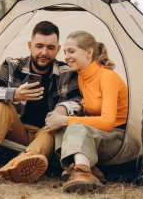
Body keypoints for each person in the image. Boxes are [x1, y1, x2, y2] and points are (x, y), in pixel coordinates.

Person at [0, 21, 82, 183]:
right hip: (16, 130)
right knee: (3, 106)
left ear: (58, 49)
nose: (44, 52)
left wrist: (63, 108)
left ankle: (21, 163)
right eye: (39, 46)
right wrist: (14, 94)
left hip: (45, 133)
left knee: (54, 128)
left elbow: (79, 101)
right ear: (30, 46)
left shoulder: (67, 72)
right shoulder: (12, 66)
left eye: (50, 48)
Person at [44, 30, 128, 193]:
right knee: (63, 126)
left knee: (73, 125)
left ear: (89, 52)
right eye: (65, 52)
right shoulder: (82, 77)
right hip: (98, 136)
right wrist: (59, 119)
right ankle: (80, 167)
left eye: (72, 51)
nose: (67, 56)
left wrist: (66, 120)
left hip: (118, 137)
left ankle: (83, 172)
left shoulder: (107, 77)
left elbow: (108, 122)